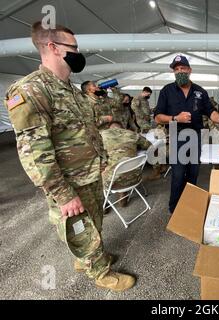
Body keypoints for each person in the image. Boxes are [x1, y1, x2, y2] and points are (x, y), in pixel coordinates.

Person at [4, 22, 135, 291]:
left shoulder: (72, 91)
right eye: (73, 47)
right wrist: (63, 195)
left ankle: (90, 257)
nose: (78, 53)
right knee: (79, 229)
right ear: (53, 48)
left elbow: (86, 130)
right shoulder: (32, 91)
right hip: (69, 183)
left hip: (90, 174)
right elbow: (34, 152)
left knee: (94, 222)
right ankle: (99, 272)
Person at [154, 55, 219, 214]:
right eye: (176, 69)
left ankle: (189, 204)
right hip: (177, 137)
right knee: (177, 175)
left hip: (196, 137)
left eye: (182, 68)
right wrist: (176, 118)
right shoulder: (167, 91)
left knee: (193, 173)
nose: (179, 71)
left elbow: (210, 111)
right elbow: (158, 116)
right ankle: (174, 208)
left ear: (189, 70)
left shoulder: (200, 91)